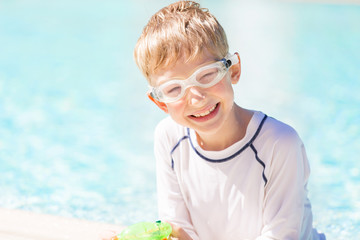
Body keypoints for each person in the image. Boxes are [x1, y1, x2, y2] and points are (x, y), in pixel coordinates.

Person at [131, 1, 326, 239]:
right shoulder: (168, 138)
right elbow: (177, 228)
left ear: (233, 70)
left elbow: (281, 235)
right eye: (174, 89)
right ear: (161, 103)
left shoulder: (280, 143)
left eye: (207, 74)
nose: (196, 97)